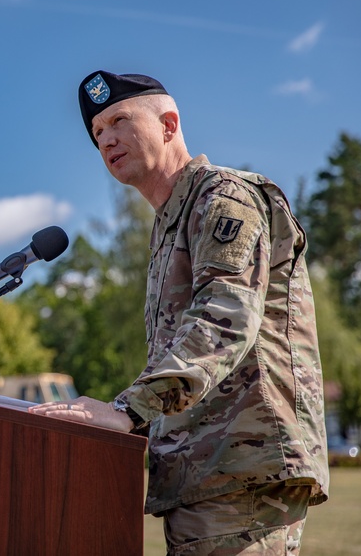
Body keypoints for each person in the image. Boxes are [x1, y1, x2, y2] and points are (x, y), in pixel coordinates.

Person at [30, 70, 329, 555]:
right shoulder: (169, 226)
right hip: (203, 475)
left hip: (243, 472)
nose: (106, 139)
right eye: (97, 133)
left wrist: (127, 410)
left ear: (169, 124)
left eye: (120, 120)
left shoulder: (222, 198)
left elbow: (222, 320)